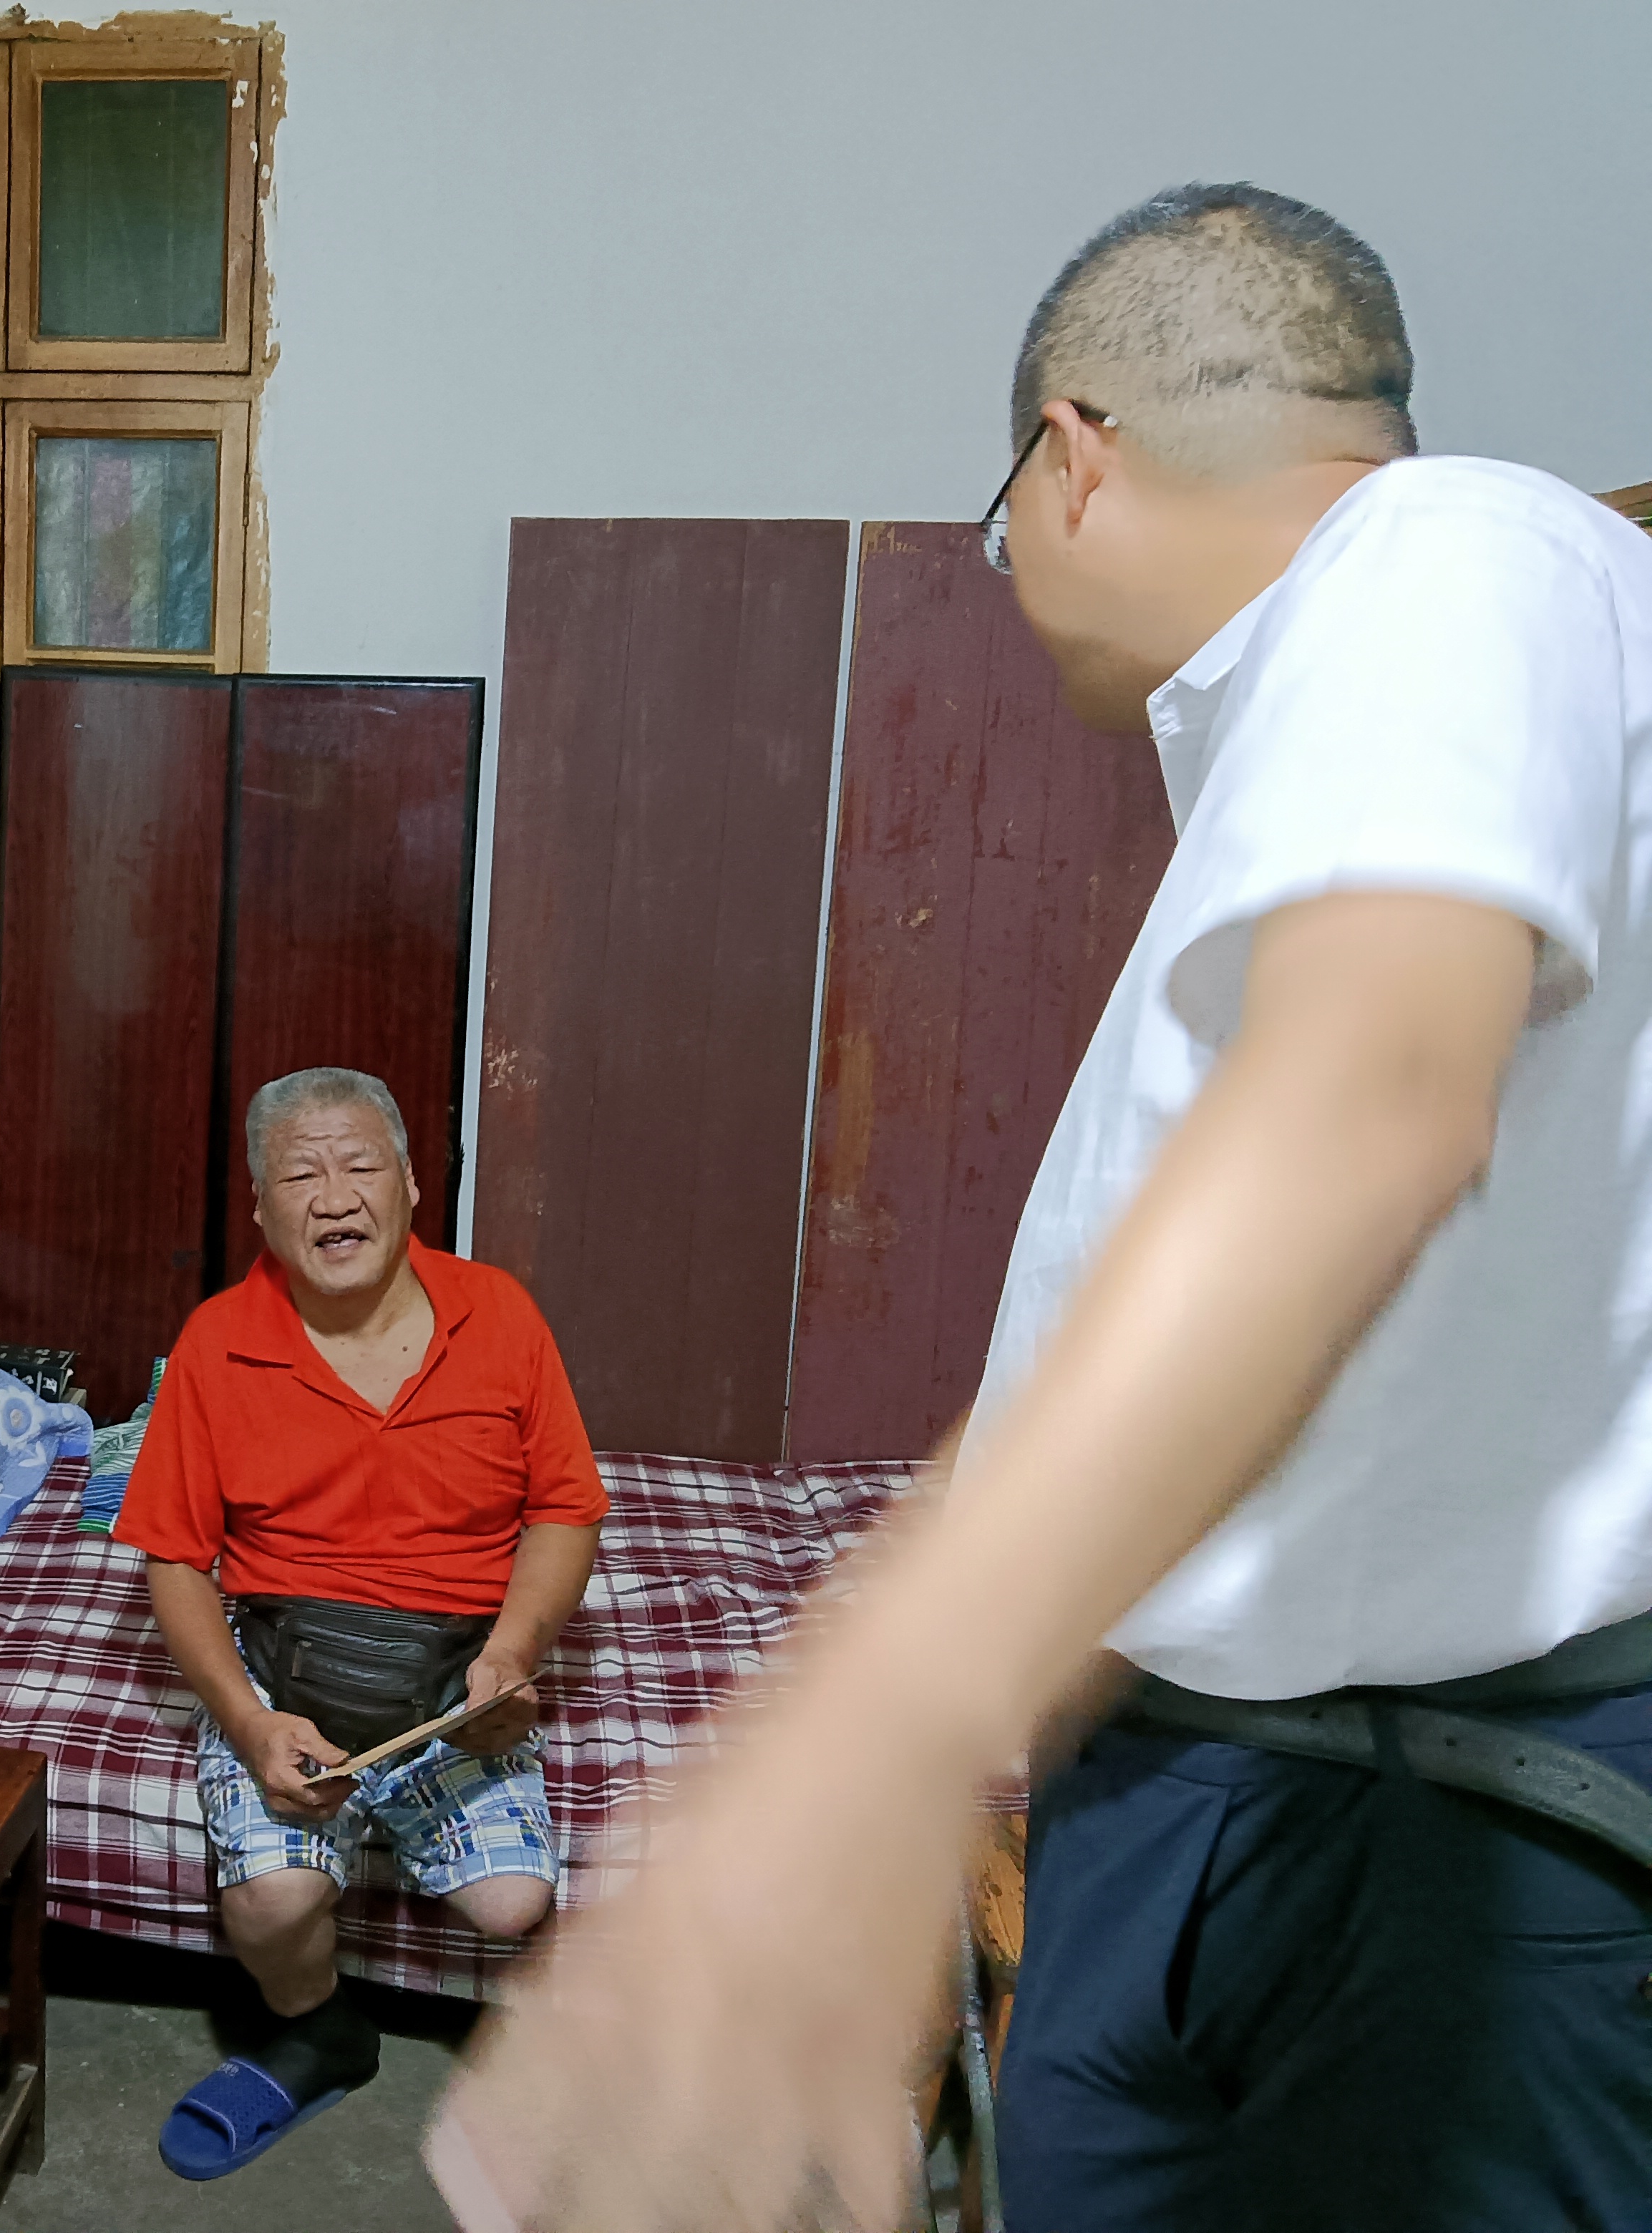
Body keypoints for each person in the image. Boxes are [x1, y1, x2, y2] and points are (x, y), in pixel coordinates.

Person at [432, 184, 1652, 2233]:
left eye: (1000, 537)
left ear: (1072, 460)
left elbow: (1372, 1102)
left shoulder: (1456, 548)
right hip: (1189, 1778)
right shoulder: (1300, 758)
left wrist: (865, 1748)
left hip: (1412, 1832)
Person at [116, 1066, 605, 2181]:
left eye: (359, 1166)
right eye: (301, 1175)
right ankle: (322, 2030)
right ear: (261, 1209)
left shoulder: (501, 1314)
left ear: (411, 1186)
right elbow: (175, 1561)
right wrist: (249, 1725)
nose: (334, 1196)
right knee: (278, 1898)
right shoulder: (217, 1343)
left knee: (513, 1901)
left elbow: (565, 1509)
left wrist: (511, 1657)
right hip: (285, 1668)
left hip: (454, 1675)